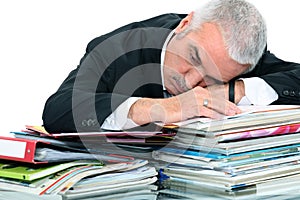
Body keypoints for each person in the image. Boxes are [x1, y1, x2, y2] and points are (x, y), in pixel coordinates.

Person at [42, 0, 300, 133]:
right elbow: (59, 109)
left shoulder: (240, 58)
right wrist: (162, 108)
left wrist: (236, 90)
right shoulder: (118, 49)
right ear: (185, 25)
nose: (188, 83)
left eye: (213, 78)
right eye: (194, 58)